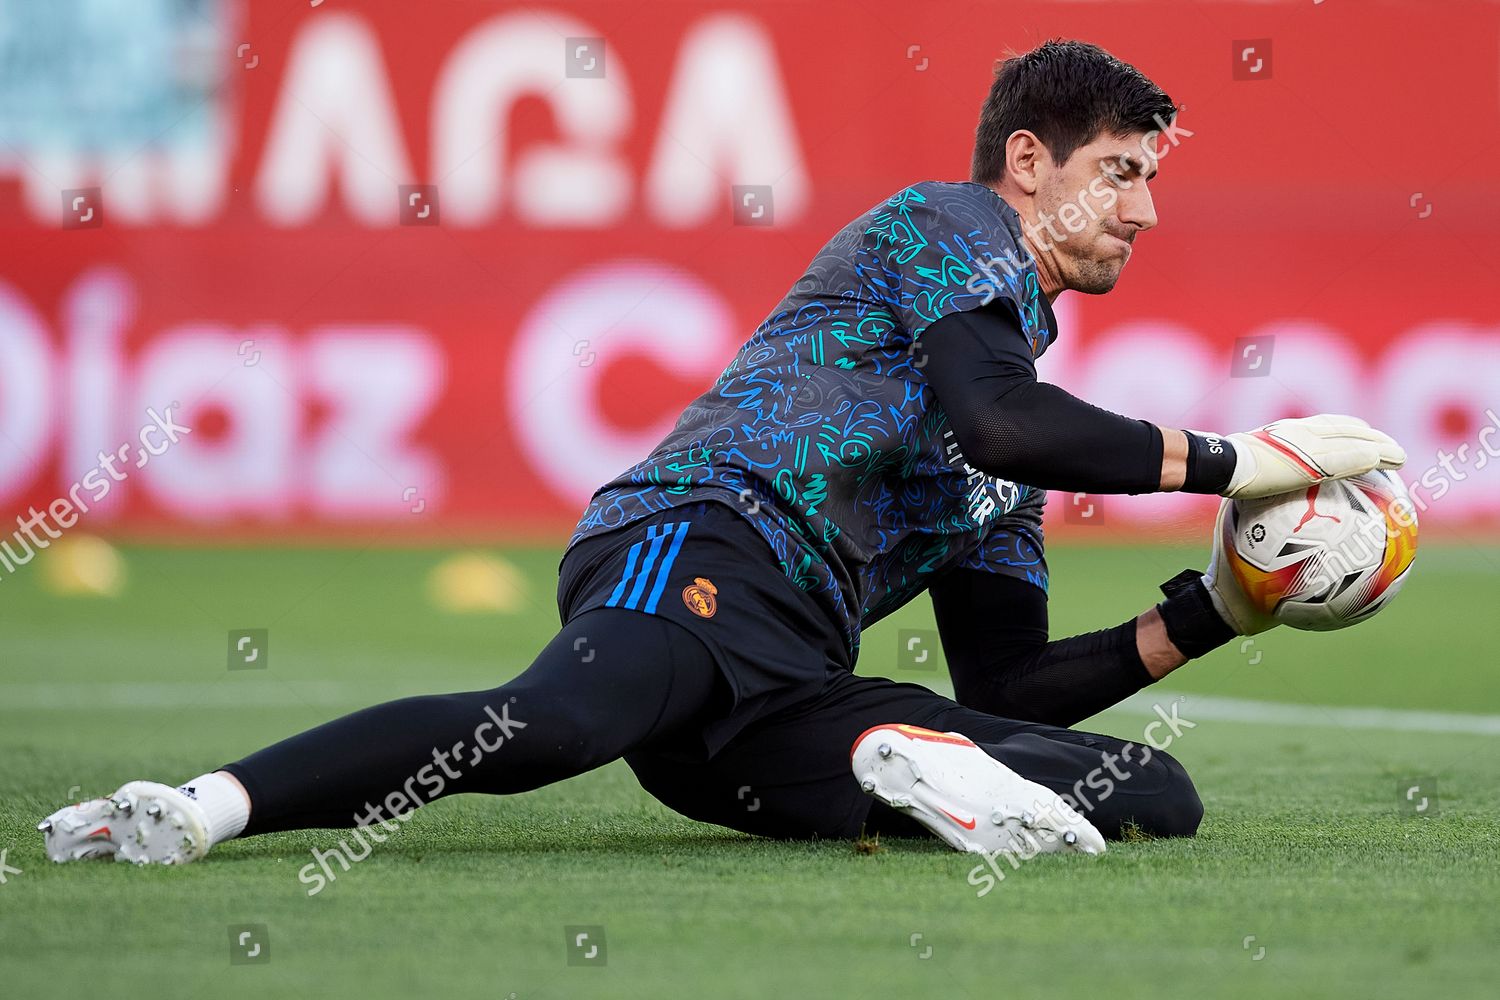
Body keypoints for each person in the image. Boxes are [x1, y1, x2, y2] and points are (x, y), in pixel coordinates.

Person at [40, 39, 1404, 866]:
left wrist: (1218, 610)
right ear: (1032, 161)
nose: (1147, 210)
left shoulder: (1017, 405)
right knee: (549, 724)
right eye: (1124, 170)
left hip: (770, 694)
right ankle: (198, 808)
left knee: (1151, 794)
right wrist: (1238, 463)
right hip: (703, 545)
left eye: (1157, 179)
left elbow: (1011, 675)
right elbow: (998, 418)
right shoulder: (947, 226)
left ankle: (895, 756)